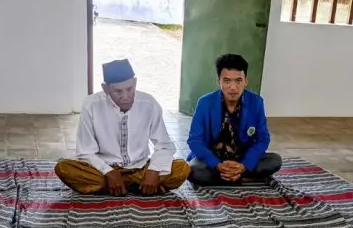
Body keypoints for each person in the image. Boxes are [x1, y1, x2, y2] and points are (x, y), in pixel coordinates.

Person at [55, 59, 190, 196]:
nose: (125, 97)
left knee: (182, 168)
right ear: (105, 88)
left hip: (141, 169)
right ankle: (136, 187)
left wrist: (153, 170)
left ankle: (114, 188)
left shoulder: (149, 103)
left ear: (135, 83)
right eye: (118, 91)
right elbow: (85, 151)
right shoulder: (91, 105)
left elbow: (165, 146)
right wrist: (109, 172)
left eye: (129, 89)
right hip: (103, 171)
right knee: (64, 168)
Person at [187, 54, 282, 186]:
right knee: (193, 171)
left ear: (246, 81)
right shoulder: (204, 103)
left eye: (238, 80)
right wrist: (217, 164)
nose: (233, 87)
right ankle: (240, 178)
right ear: (218, 81)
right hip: (213, 158)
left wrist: (244, 165)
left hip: (242, 158)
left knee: (275, 161)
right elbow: (195, 140)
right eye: (227, 81)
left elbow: (263, 139)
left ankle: (233, 176)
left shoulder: (256, 102)